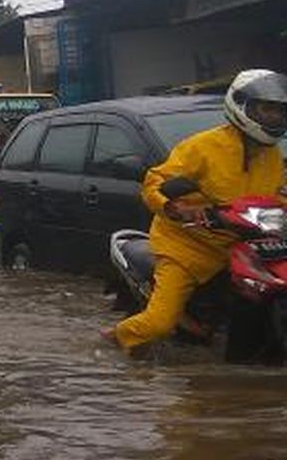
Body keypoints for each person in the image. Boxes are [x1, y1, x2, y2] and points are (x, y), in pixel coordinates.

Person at [106, 69, 287, 351]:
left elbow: (278, 196)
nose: (275, 118)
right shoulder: (203, 148)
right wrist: (175, 208)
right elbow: (156, 183)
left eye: (280, 111)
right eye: (267, 109)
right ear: (242, 106)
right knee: (160, 323)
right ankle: (116, 339)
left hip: (247, 247)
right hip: (187, 247)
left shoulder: (273, 156)